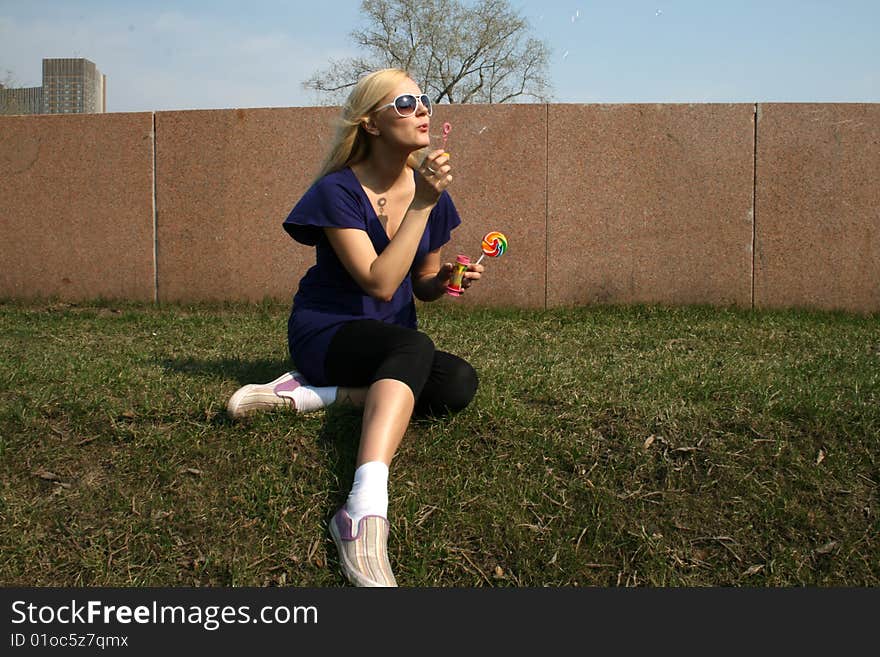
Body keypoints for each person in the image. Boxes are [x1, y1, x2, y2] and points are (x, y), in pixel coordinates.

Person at [226, 68, 482, 587]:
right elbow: (379, 284)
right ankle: (362, 509)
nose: (423, 110)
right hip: (330, 333)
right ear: (370, 123)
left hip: (391, 341)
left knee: (457, 382)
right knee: (415, 349)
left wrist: (448, 279)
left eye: (425, 100)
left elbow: (422, 282)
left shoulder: (431, 192)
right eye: (406, 103)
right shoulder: (337, 191)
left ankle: (307, 397)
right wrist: (423, 204)